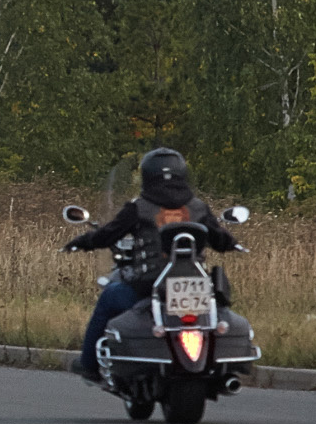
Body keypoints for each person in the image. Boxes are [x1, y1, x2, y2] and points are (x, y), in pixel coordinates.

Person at [62, 147, 239, 383]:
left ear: (147, 175)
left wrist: (80, 242)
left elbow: (107, 234)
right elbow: (219, 238)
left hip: (149, 285)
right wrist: (234, 244)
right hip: (194, 285)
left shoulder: (139, 207)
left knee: (109, 298)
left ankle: (89, 364)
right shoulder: (197, 208)